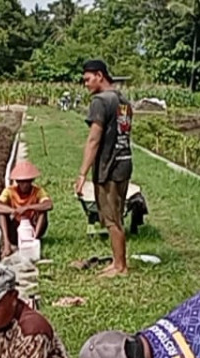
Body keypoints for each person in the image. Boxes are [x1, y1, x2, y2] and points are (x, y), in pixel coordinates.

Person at [75, 59, 133, 278]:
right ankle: (118, 261)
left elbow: (93, 140)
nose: (86, 84)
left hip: (108, 167)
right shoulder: (122, 99)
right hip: (124, 162)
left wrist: (82, 173)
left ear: (100, 76)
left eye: (88, 79)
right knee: (116, 215)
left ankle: (120, 267)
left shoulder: (100, 101)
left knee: (111, 219)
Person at [0, 160, 53, 259]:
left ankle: (34, 240)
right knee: (1, 213)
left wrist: (28, 208)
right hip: (15, 228)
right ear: (17, 182)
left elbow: (48, 204)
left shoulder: (37, 191)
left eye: (27, 181)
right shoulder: (10, 191)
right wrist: (13, 211)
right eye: (22, 182)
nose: (25, 185)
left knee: (43, 211)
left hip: (31, 228)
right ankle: (7, 245)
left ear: (32, 181)